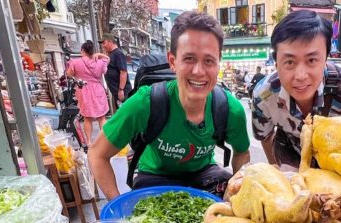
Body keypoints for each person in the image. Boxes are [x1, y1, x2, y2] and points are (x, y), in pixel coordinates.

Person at [88, 11, 251, 200]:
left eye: (209, 61)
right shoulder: (145, 103)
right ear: (173, 61)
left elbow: (242, 153)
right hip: (155, 177)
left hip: (204, 175)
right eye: (189, 58)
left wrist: (234, 197)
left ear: (218, 63)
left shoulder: (230, 109)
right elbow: (97, 154)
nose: (199, 71)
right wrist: (117, 208)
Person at [252, 10, 341, 168]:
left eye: (311, 60)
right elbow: (265, 136)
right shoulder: (264, 95)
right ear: (276, 63)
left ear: (325, 59)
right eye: (290, 62)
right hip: (292, 166)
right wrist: (277, 172)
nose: (301, 75)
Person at [65, 40, 110, 148]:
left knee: (87, 118)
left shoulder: (75, 62)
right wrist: (99, 55)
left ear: (82, 50)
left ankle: (89, 142)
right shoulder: (100, 61)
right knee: (102, 117)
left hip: (84, 90)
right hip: (98, 90)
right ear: (92, 51)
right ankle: (105, 141)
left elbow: (69, 75)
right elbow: (108, 59)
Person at [100, 33, 132, 110]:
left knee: (125, 115)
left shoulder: (118, 54)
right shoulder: (111, 54)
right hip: (116, 93)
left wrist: (121, 90)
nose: (103, 46)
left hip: (123, 92)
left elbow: (123, 72)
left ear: (111, 41)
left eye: (104, 43)